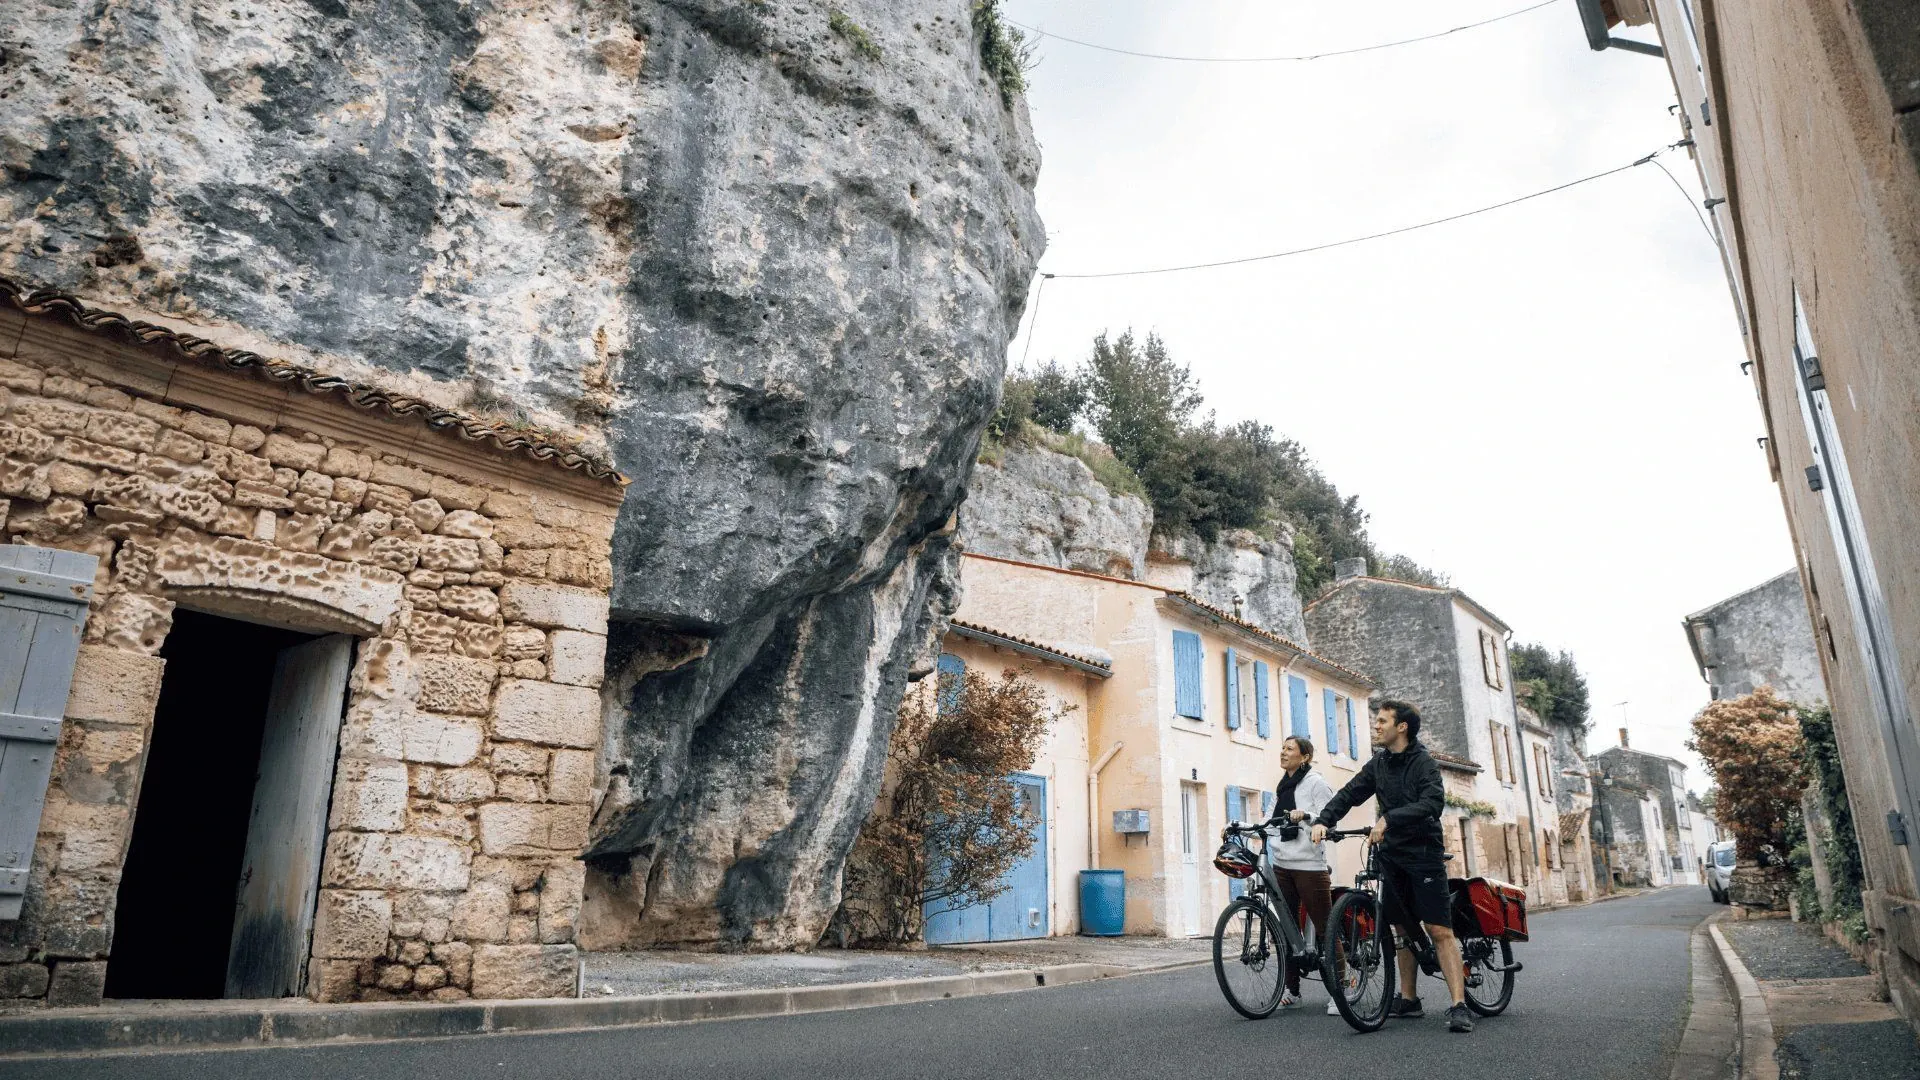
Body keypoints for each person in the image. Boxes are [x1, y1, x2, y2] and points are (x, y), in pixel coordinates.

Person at [1311, 699, 1474, 1034]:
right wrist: (1324, 821)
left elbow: (1432, 803)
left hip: (1423, 852)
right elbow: (1351, 793)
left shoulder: (1423, 763)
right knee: (1400, 928)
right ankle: (1409, 999)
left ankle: (1459, 1004)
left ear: (1402, 727)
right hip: (1391, 853)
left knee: (1439, 930)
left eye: (1383, 720)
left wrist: (1388, 818)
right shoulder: (1379, 763)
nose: (1376, 725)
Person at [1268, 736, 1338, 1013]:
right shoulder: (1283, 785)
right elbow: (1271, 819)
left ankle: (1341, 987)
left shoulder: (1316, 783)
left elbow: (1330, 816)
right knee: (1286, 928)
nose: (1283, 753)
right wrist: (1243, 827)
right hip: (1282, 863)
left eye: (1289, 749)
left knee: (1326, 928)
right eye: (1282, 748)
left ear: (1305, 757)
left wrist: (1307, 815)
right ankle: (1292, 989)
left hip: (1309, 865)